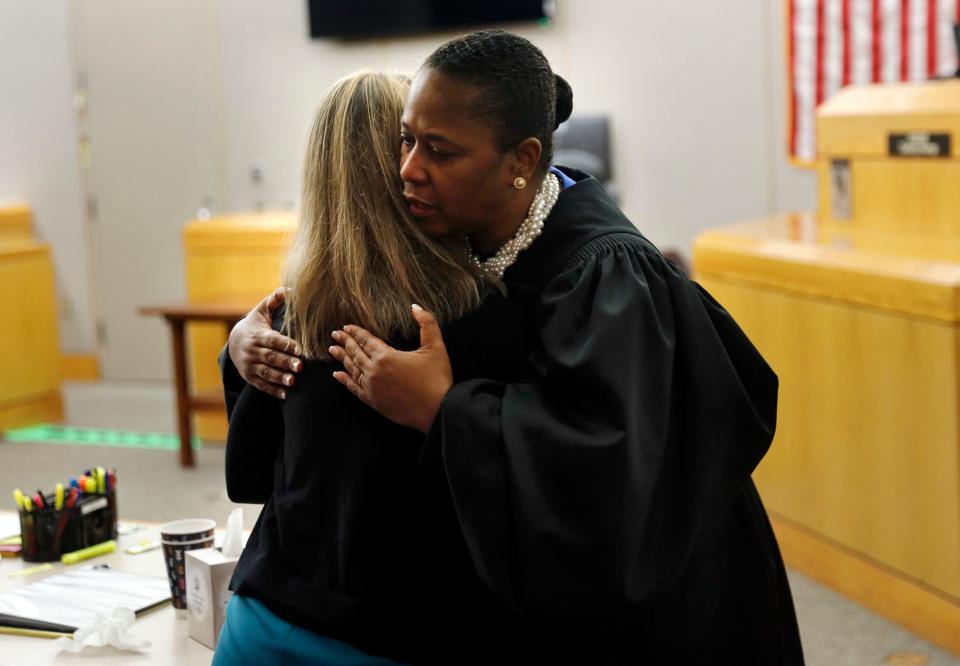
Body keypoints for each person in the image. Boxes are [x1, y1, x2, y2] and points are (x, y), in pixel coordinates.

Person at [227, 30, 805, 665]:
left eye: (440, 152)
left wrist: (443, 409)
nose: (408, 170)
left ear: (520, 162)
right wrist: (247, 339)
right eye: (406, 139)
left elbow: (603, 475)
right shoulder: (471, 247)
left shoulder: (606, 277)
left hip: (666, 595)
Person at [214, 70, 487, 665]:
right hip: (394, 635)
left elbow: (250, 478)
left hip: (261, 625)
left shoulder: (289, 316)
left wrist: (236, 351)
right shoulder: (466, 314)